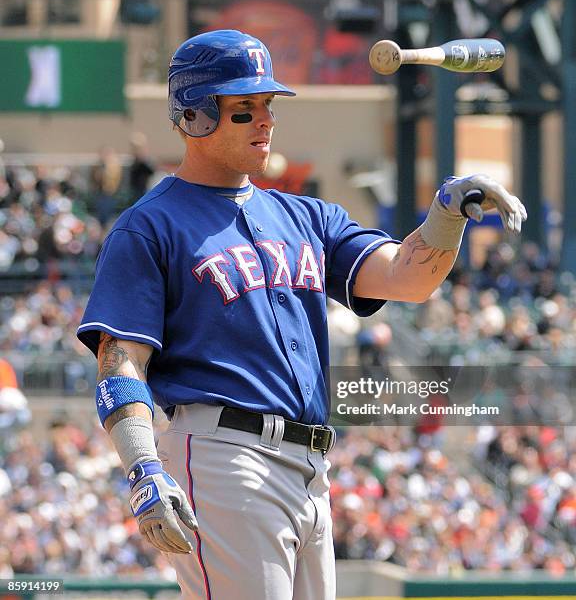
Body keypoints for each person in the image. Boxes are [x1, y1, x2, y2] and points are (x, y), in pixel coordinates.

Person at [77, 29, 526, 599]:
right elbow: (120, 365)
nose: (265, 120)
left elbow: (408, 279)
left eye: (268, 105)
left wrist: (449, 211)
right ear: (193, 116)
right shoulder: (150, 226)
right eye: (244, 110)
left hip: (311, 465)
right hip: (223, 458)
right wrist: (142, 467)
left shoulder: (307, 215)